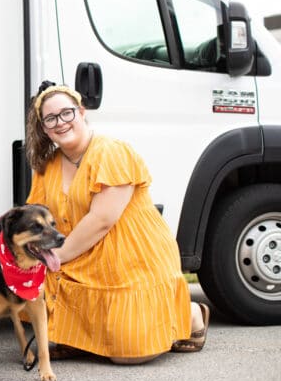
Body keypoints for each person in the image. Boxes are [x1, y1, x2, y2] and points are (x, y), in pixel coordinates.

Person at [25, 81, 209, 364]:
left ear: (82, 112)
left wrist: (56, 257)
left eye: (66, 113)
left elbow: (102, 220)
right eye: (50, 118)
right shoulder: (47, 165)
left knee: (131, 356)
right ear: (44, 128)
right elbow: (35, 216)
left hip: (129, 257)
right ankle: (80, 338)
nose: (60, 123)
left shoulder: (111, 152)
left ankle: (190, 313)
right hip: (80, 254)